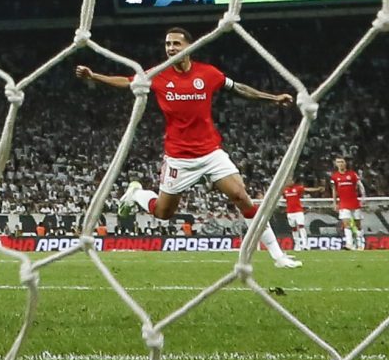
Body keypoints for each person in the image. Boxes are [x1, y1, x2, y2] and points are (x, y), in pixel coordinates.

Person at [75, 26, 301, 268]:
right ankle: (137, 195)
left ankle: (278, 256)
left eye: (176, 43)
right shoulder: (158, 74)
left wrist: (273, 98)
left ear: (189, 47)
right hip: (179, 158)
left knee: (240, 196)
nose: (170, 48)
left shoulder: (208, 73)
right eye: (167, 44)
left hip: (211, 152)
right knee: (163, 214)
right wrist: (94, 76)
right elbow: (128, 82)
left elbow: (240, 89)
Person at [329, 155, 365, 249]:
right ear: (336, 164)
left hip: (354, 202)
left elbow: (360, 187)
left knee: (358, 224)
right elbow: (334, 190)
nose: (340, 164)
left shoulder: (352, 174)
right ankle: (349, 244)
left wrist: (363, 198)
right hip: (343, 204)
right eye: (338, 162)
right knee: (346, 224)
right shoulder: (334, 177)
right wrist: (334, 203)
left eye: (342, 162)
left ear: (345, 163)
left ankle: (360, 243)